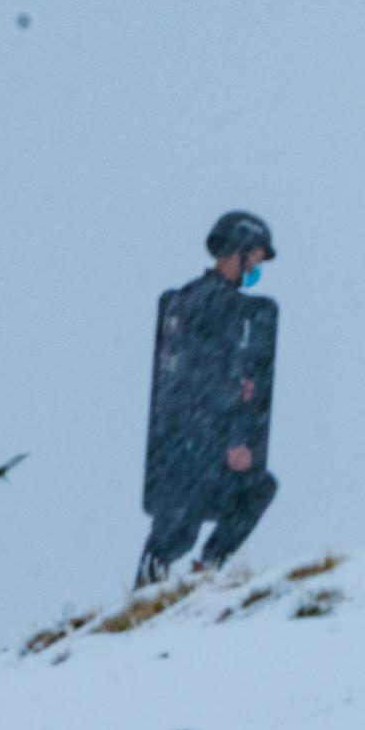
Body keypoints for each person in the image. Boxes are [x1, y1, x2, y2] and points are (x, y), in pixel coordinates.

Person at [139, 211, 282, 582]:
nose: (256, 268)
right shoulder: (212, 302)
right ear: (239, 251)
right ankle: (160, 585)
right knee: (176, 531)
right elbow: (200, 377)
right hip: (193, 443)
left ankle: (205, 568)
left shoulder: (202, 300)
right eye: (255, 258)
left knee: (254, 490)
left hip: (196, 441)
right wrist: (233, 428)